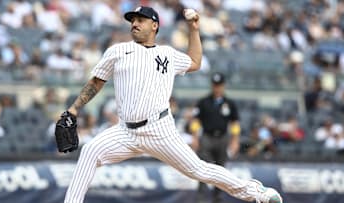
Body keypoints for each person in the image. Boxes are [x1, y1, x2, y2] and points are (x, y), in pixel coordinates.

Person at [59, 6, 282, 203]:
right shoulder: (118, 51)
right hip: (125, 131)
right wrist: (74, 109)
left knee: (199, 170)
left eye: (140, 20)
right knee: (89, 152)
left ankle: (255, 192)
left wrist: (194, 29)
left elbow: (195, 62)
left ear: (154, 25)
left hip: (159, 130)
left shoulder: (167, 54)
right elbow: (96, 82)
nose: (134, 24)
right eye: (132, 20)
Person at [194, 72, 241, 203]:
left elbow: (235, 123)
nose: (217, 88)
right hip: (207, 138)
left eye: (219, 85)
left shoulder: (229, 103)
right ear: (212, 86)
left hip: (222, 138)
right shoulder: (203, 102)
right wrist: (195, 138)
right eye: (215, 85)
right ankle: (201, 199)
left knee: (221, 170)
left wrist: (235, 141)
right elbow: (195, 121)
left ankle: (218, 199)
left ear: (223, 86)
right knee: (202, 169)